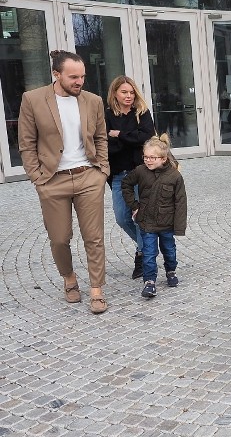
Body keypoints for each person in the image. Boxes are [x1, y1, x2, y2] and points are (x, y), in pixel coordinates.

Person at [18, 50, 110, 314]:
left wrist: (101, 169)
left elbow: (101, 137)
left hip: (88, 176)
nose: (79, 81)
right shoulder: (33, 100)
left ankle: (96, 289)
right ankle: (69, 279)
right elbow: (26, 143)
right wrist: (37, 178)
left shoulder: (93, 101)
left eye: (82, 76)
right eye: (73, 77)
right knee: (59, 238)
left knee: (94, 237)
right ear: (56, 74)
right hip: (52, 180)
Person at [122, 134, 187, 299]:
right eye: (146, 157)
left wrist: (179, 227)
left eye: (152, 157)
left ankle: (171, 271)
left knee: (169, 251)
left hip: (167, 224)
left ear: (164, 159)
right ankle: (149, 282)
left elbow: (180, 202)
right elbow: (126, 184)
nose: (148, 160)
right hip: (147, 223)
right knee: (149, 253)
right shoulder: (140, 171)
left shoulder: (174, 176)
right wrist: (134, 205)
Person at [104, 75, 155, 280]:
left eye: (131, 92)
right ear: (115, 93)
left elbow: (146, 137)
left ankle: (143, 255)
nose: (128, 96)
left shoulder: (141, 112)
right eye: (124, 92)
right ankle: (148, 245)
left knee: (139, 218)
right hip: (118, 175)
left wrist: (120, 135)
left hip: (140, 173)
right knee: (122, 218)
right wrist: (130, 137)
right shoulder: (106, 115)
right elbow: (108, 146)